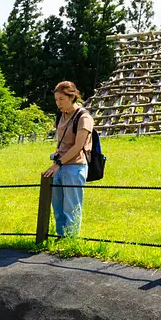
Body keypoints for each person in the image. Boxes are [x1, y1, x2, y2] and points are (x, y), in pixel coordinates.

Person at [43, 81, 93, 238]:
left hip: (75, 166)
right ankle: (60, 237)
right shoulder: (61, 115)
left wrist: (59, 163)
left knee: (71, 207)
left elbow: (78, 146)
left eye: (62, 100)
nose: (58, 103)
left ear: (72, 97)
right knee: (57, 206)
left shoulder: (84, 117)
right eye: (56, 100)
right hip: (59, 165)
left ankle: (71, 240)